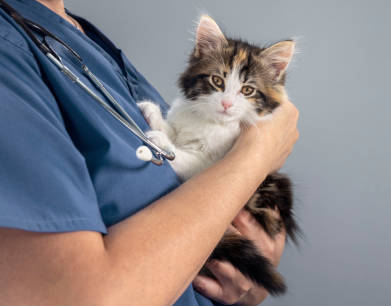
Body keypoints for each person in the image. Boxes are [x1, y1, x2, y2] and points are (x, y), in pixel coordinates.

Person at [0, 0, 299, 305]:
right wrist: (257, 152)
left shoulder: (84, 39)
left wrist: (252, 279)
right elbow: (78, 296)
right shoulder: (9, 50)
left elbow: (239, 260)